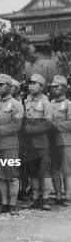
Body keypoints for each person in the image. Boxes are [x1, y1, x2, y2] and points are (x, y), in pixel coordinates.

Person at [0, 74, 23, 214]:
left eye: (1, 85)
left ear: (9, 87)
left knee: (12, 175)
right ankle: (4, 203)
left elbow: (16, 126)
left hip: (10, 144)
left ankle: (13, 204)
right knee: (1, 175)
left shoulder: (16, 105)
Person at [24, 73, 54, 210]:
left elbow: (48, 124)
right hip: (30, 144)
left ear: (41, 86)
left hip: (42, 143)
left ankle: (46, 199)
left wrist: (31, 130)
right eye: (30, 83)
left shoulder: (46, 103)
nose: (31, 86)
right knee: (33, 171)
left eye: (34, 83)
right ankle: (35, 198)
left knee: (44, 171)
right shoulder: (27, 101)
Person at [50, 75, 71, 205]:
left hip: (65, 141)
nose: (54, 89)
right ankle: (58, 196)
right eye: (52, 87)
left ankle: (67, 196)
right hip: (52, 142)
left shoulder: (69, 104)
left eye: (56, 87)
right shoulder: (50, 103)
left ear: (63, 88)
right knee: (54, 170)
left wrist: (55, 125)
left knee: (66, 170)